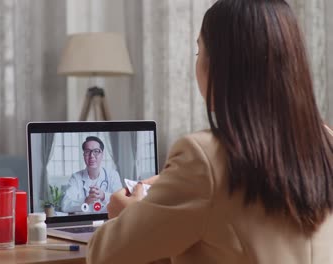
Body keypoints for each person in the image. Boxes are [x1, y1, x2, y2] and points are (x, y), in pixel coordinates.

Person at [87, 0, 333, 263]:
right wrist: (175, 182)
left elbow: (107, 255)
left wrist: (127, 213)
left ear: (219, 65)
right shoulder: (325, 142)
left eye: (198, 51)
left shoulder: (203, 158)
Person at [61, 136, 122, 213]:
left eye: (96, 151)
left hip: (108, 221)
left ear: (102, 154)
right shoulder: (76, 178)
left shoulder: (112, 175)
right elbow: (65, 205)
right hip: (84, 222)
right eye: (87, 152)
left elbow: (121, 200)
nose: (91, 156)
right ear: (83, 156)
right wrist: (86, 201)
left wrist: (103, 196)